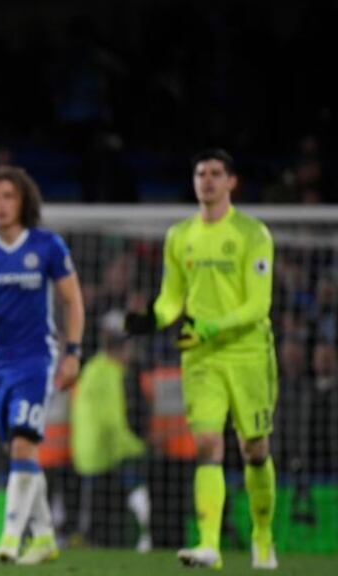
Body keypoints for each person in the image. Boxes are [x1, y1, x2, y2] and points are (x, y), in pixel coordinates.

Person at [125, 149, 278, 570]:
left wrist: (211, 326)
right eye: (200, 173)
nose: (207, 180)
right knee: (208, 444)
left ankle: (262, 538)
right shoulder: (180, 236)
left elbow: (258, 305)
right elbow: (174, 297)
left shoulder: (253, 234)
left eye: (216, 174)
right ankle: (208, 544)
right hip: (201, 356)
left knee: (254, 448)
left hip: (247, 353)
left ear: (232, 182)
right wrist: (151, 318)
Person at [0, 165, 85, 565]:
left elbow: (72, 302)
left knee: (25, 440)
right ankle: (44, 537)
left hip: (37, 358)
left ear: (24, 200)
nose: (1, 205)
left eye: (8, 196)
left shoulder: (47, 246)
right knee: (18, 447)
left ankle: (11, 535)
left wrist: (74, 352)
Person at [70, 311, 151, 552]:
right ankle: (148, 535)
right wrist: (138, 447)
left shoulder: (94, 368)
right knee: (137, 480)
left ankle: (92, 539)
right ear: (121, 349)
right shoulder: (110, 373)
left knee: (102, 519)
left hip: (87, 451)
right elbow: (112, 422)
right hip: (101, 453)